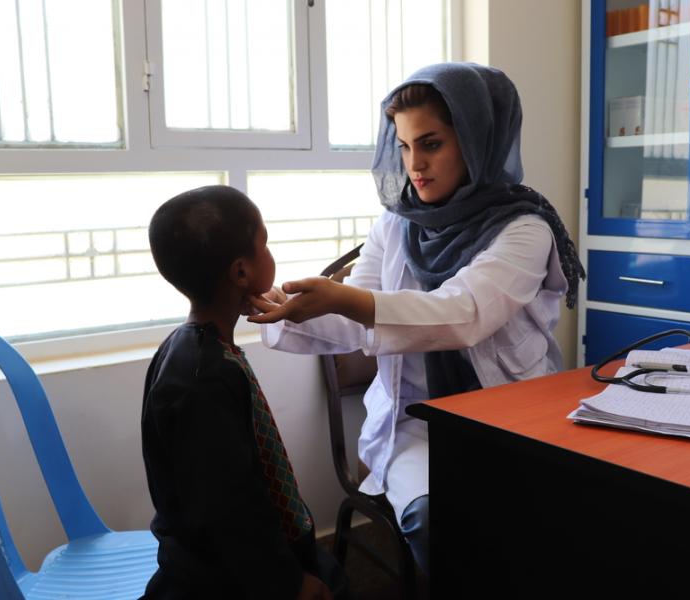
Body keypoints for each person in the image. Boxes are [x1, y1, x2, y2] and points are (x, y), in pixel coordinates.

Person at [249, 63, 586, 575]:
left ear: (476, 141)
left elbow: (463, 312)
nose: (414, 165)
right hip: (417, 425)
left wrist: (342, 300)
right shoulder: (396, 224)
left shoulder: (524, 228)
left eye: (430, 144)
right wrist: (281, 311)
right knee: (438, 521)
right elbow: (356, 314)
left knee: (569, 520)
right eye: (404, 147)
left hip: (513, 419)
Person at [140, 185, 339, 599]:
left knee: (332, 570)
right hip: (223, 578)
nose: (270, 253)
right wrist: (288, 582)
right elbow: (228, 509)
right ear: (241, 272)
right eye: (264, 244)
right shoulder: (204, 377)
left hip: (223, 560)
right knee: (330, 583)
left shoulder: (188, 348)